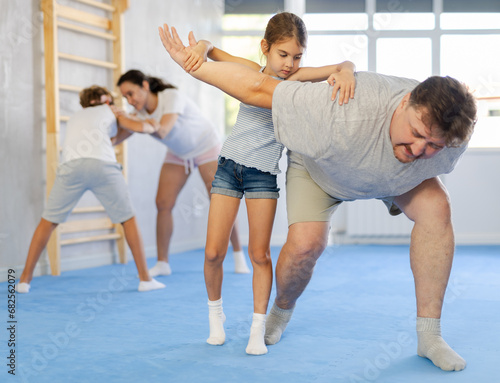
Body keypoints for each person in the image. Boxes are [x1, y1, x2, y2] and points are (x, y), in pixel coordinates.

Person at [159, 25, 477, 371]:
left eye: (433, 145)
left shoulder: (453, 140)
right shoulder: (343, 104)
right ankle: (280, 311)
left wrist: (428, 149)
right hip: (320, 171)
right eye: (416, 134)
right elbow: (258, 86)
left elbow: (429, 149)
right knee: (305, 247)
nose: (419, 149)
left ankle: (430, 336)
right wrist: (194, 65)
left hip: (392, 178)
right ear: (404, 102)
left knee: (438, 207)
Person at [184, 12, 355, 355]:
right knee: (213, 252)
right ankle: (215, 319)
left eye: (297, 56)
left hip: (263, 173)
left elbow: (343, 64)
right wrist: (201, 44)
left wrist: (347, 70)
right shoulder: (249, 70)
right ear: (265, 48)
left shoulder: (298, 79)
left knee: (259, 254)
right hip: (228, 168)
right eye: (283, 55)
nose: (290, 64)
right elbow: (212, 52)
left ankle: (256, 330)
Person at [16, 86, 165, 293]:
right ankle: (145, 279)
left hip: (71, 166)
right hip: (102, 166)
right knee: (127, 218)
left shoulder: (76, 116)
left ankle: (24, 280)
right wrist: (153, 123)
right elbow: (138, 128)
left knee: (48, 221)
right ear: (106, 101)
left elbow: (112, 139)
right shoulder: (110, 110)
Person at [114, 69, 250, 277]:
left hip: (206, 145)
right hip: (179, 154)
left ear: (145, 85)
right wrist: (113, 120)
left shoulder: (171, 96)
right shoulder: (139, 114)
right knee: (162, 203)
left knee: (220, 201)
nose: (130, 100)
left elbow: (163, 130)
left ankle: (239, 254)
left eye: (131, 93)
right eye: (125, 97)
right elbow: (119, 137)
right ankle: (163, 263)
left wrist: (126, 120)